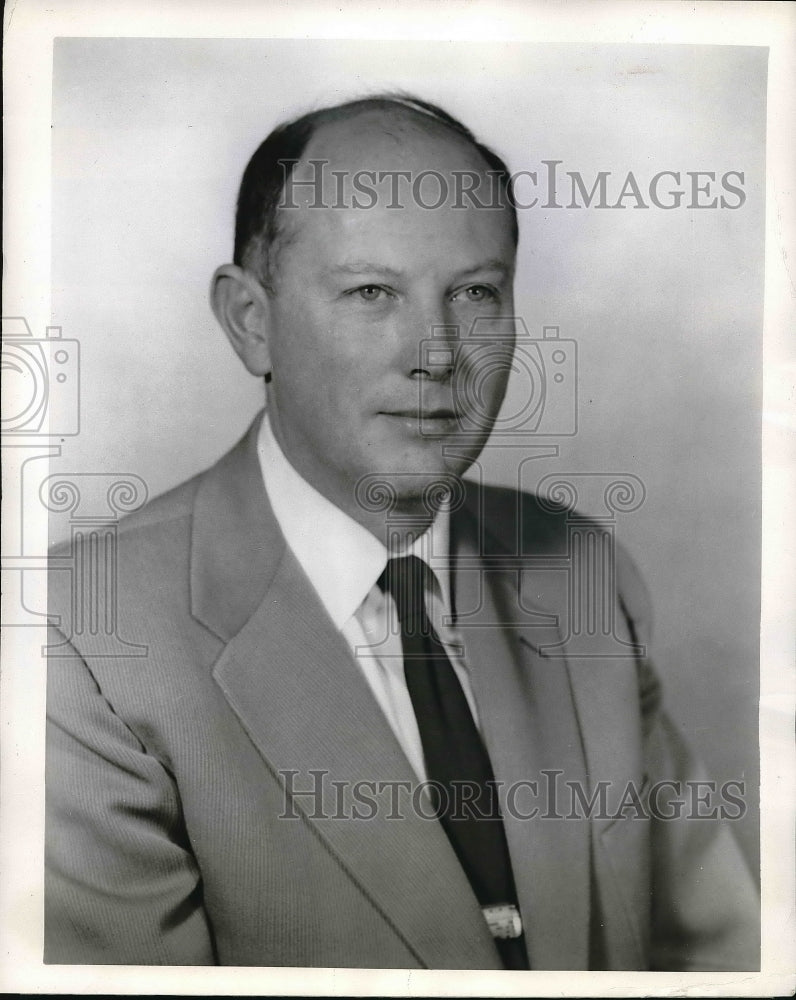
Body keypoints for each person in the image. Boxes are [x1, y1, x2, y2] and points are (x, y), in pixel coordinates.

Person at [45, 94, 759, 970]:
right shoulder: (78, 639)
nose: (436, 352)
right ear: (250, 322)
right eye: (372, 292)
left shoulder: (577, 569)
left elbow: (724, 958)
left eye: (474, 293)